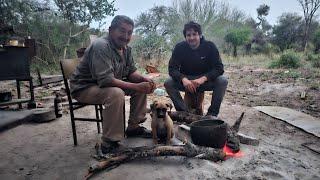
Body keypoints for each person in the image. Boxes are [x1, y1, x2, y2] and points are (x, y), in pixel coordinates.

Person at [69, 15, 156, 153]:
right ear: (111, 30)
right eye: (122, 31)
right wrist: (136, 86)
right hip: (84, 87)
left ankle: (133, 127)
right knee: (116, 93)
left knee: (139, 86)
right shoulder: (101, 46)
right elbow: (106, 80)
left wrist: (144, 80)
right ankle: (109, 143)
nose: (125, 36)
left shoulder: (126, 49)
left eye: (129, 32)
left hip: (104, 84)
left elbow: (131, 72)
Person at [164, 21, 228, 118]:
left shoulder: (210, 46)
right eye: (188, 35)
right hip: (187, 81)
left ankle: (212, 114)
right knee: (168, 82)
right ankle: (184, 112)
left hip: (204, 81)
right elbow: (172, 69)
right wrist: (183, 79)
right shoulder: (179, 47)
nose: (191, 38)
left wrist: (202, 79)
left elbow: (219, 68)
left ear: (200, 35)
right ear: (185, 37)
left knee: (222, 80)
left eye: (194, 34)